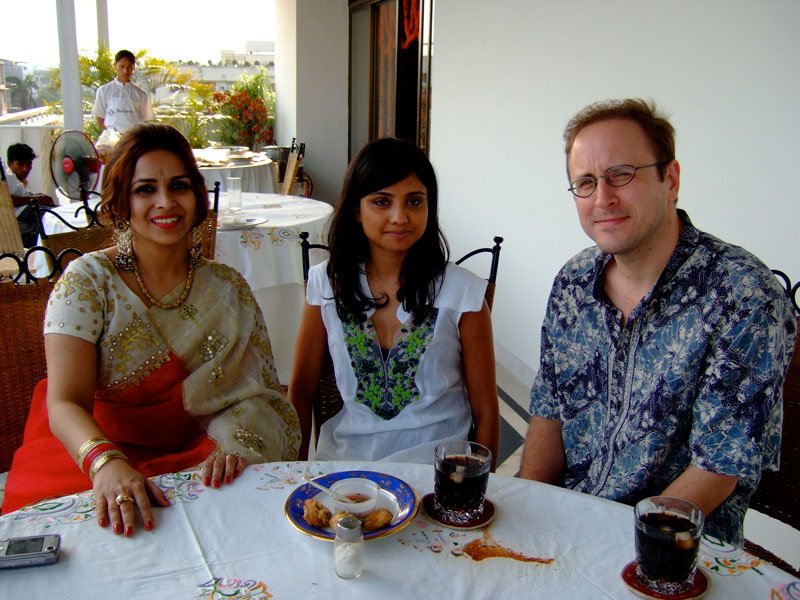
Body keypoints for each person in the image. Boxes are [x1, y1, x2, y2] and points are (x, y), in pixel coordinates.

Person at [518, 98, 796, 546]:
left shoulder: (742, 294)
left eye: (621, 174)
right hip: (568, 529)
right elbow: (548, 419)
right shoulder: (573, 282)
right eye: (585, 183)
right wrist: (527, 517)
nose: (603, 198)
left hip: (676, 548)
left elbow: (716, 467)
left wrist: (605, 551)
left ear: (671, 179)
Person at [2, 123, 301, 535]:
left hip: (194, 452)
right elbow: (65, 402)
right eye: (145, 189)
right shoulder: (88, 281)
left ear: (196, 196)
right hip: (93, 450)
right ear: (122, 201)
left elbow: (256, 396)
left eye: (179, 186)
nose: (165, 202)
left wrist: (237, 444)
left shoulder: (227, 288)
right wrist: (106, 464)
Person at [289, 138, 499, 465]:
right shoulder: (326, 285)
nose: (400, 217)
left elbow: (486, 412)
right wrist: (295, 476)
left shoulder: (464, 294)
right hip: (347, 471)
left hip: (437, 475)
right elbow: (300, 393)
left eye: (414, 201)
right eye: (382, 202)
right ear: (357, 210)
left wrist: (478, 489)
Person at [92, 50, 155, 134]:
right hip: (111, 137)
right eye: (122, 66)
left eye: (129, 67)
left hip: (134, 138)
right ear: (115, 66)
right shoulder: (104, 91)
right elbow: (100, 117)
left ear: (133, 67)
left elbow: (147, 119)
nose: (125, 71)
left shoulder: (141, 94)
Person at [4, 143, 54, 247]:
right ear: (10, 164)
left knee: (55, 212)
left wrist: (38, 197)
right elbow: (7, 200)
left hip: (27, 210)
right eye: (20, 164)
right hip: (22, 214)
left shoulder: (16, 180)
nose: (25, 169)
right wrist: (36, 199)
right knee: (55, 216)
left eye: (29, 164)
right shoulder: (7, 178)